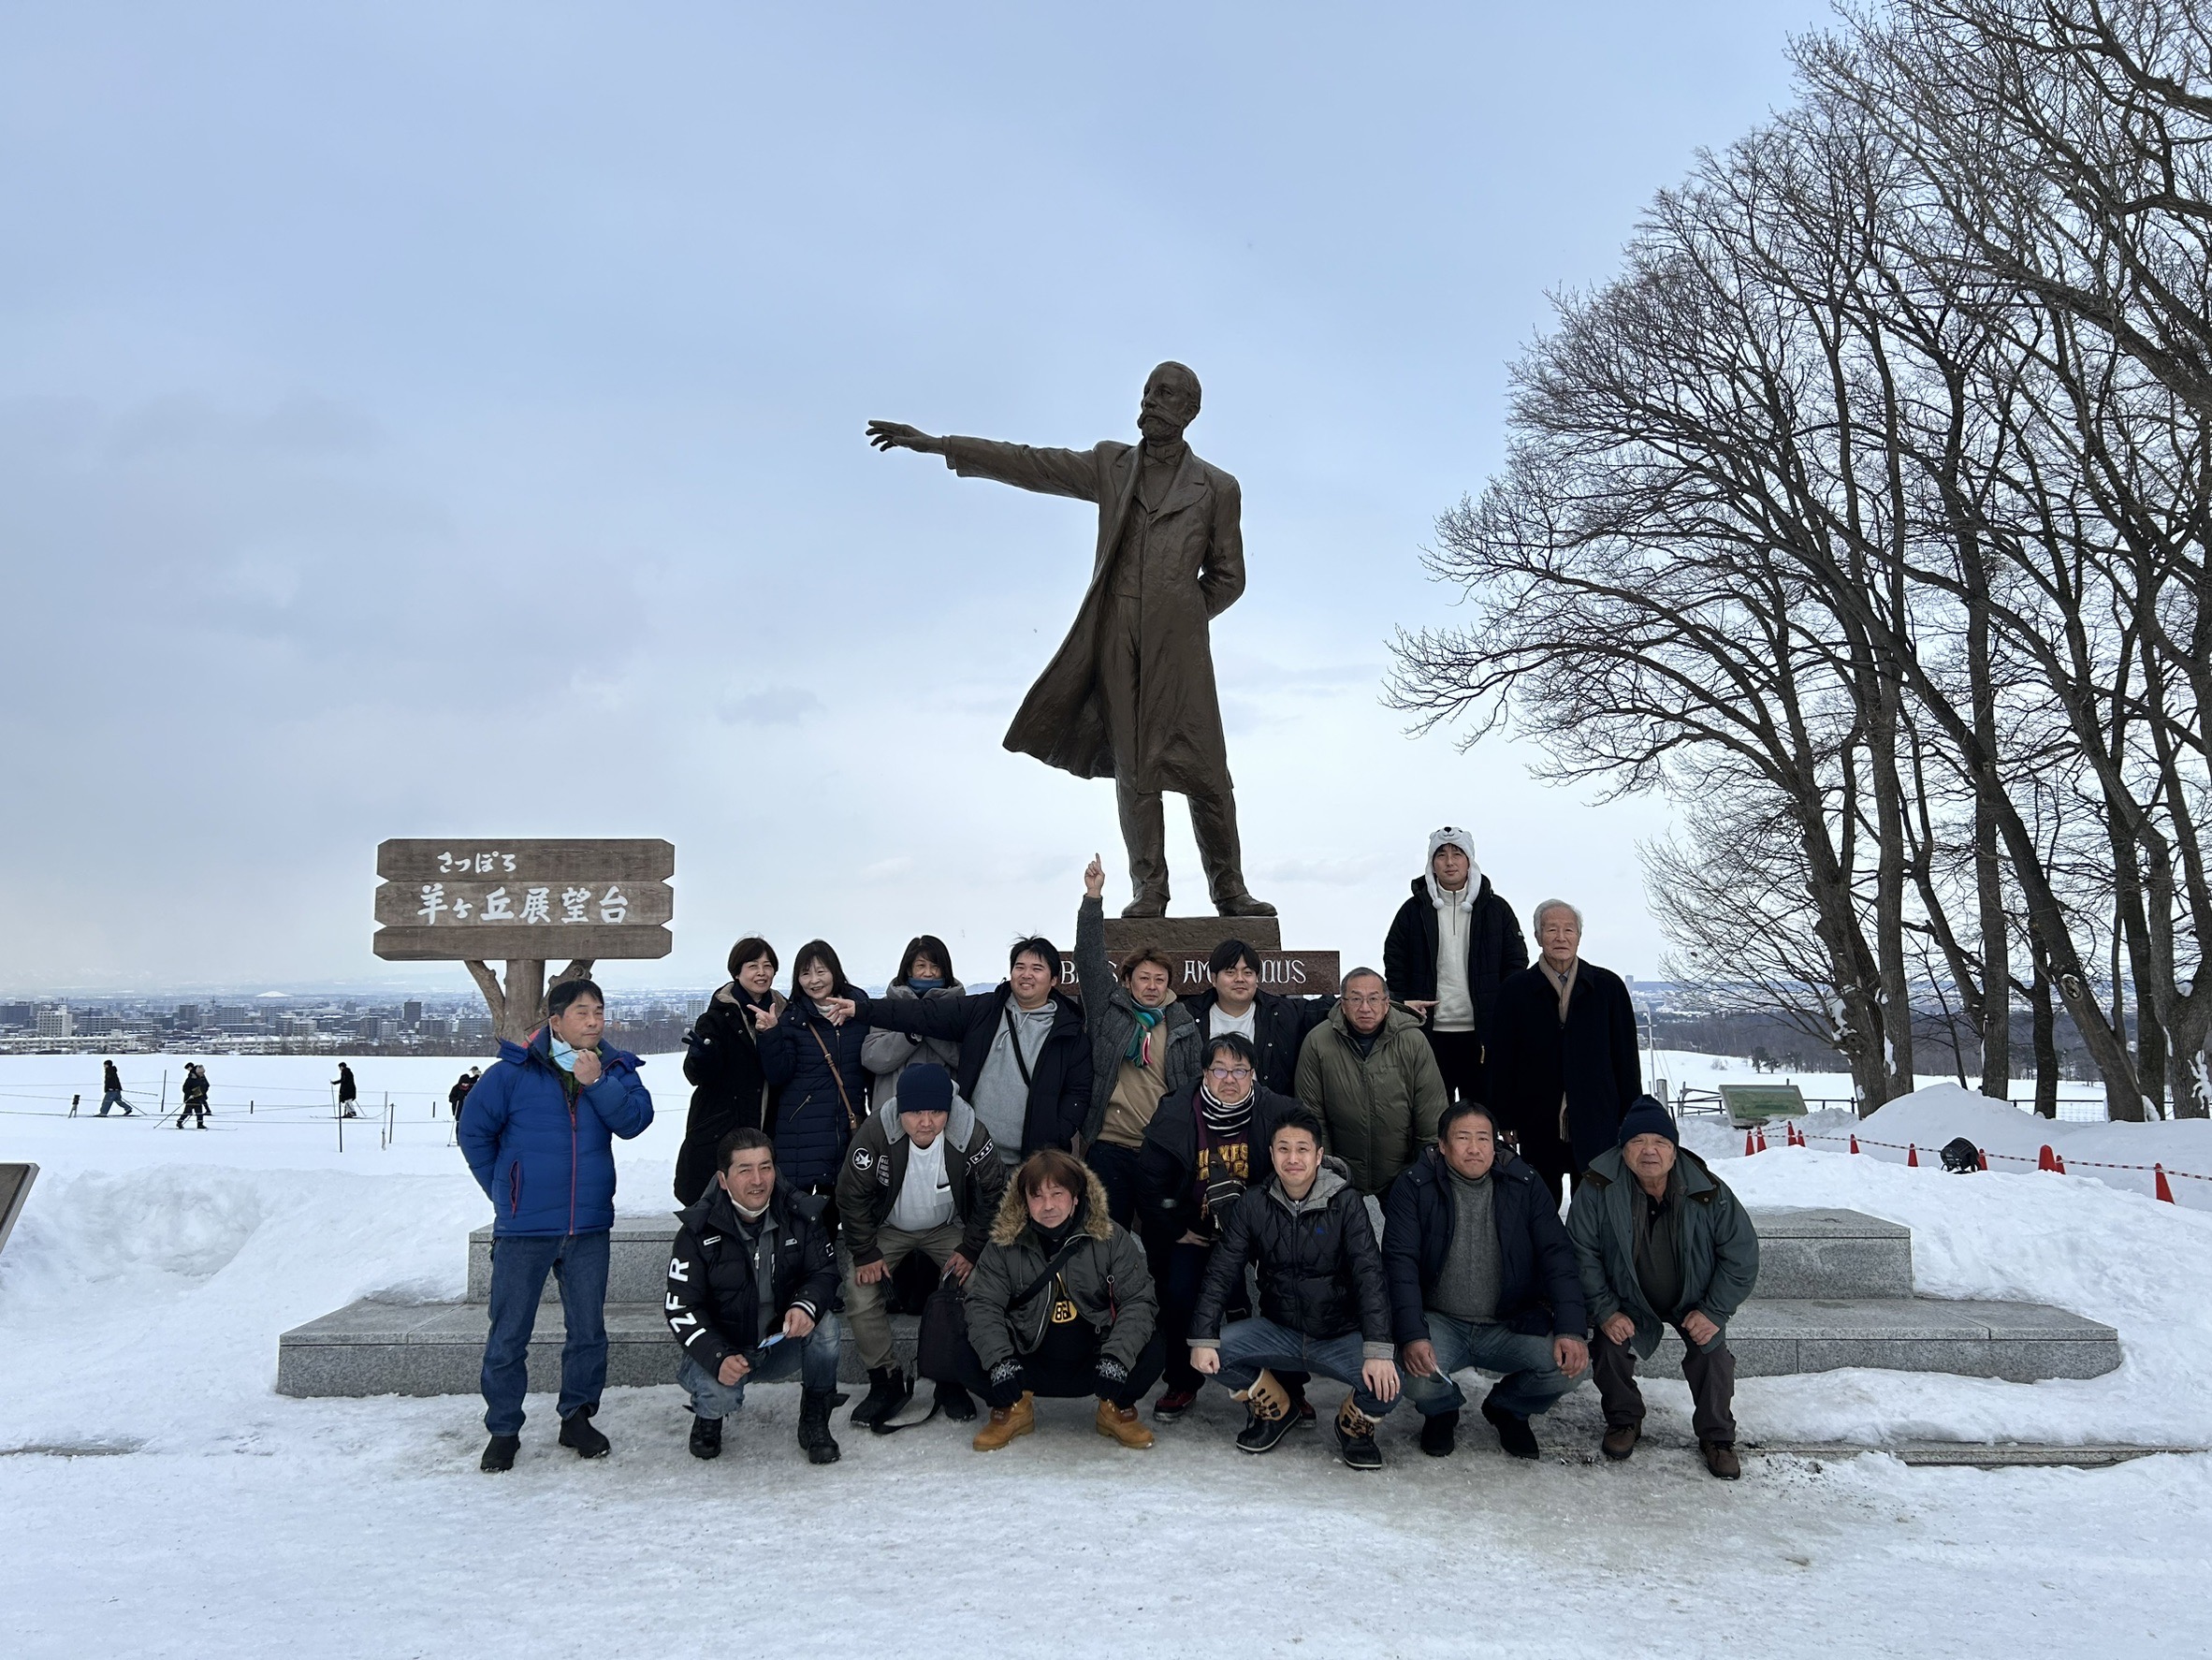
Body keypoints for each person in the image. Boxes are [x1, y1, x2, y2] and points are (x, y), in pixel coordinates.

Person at [867, 362, 1274, 919]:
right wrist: (941, 445)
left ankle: (1229, 890)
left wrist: (1177, 613)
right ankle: (1150, 888)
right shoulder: (1112, 465)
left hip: (1179, 647)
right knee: (1134, 769)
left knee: (1206, 768)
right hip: (1115, 639)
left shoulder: (1218, 488)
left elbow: (1229, 577)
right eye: (1147, 391)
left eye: (1164, 394)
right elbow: (1031, 463)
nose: (1150, 401)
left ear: (1189, 411)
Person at [458, 978, 654, 1474]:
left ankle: (577, 1417)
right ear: (556, 1021)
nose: (594, 1021)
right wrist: (506, 1191)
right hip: (524, 1228)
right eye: (583, 1012)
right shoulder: (512, 1072)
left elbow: (635, 1121)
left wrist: (597, 1083)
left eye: (599, 1011)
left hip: (588, 1224)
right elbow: (474, 1132)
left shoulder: (614, 1067)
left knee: (588, 1331)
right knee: (509, 1334)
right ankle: (504, 1429)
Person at [1189, 1107, 1401, 1470]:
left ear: (1318, 1156)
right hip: (1280, 1330)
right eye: (1283, 1149)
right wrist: (1203, 1336)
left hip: (1338, 1334)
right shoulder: (1254, 1203)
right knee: (1210, 1352)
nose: (1293, 1158)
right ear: (1272, 1155)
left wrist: (1378, 1349)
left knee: (1390, 1383)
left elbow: (1370, 1275)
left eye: (1302, 1149)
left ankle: (1353, 1425)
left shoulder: (1345, 1202)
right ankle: (1277, 1409)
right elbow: (1222, 1271)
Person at [1385, 1099, 1588, 1459]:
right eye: (1463, 1138)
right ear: (1442, 1145)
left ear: (1496, 1145)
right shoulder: (1414, 1186)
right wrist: (1413, 1334)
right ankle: (1441, 1410)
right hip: (1440, 1321)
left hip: (1511, 1321)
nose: (1474, 1148)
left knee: (1567, 1369)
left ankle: (1509, 1409)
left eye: (1483, 1138)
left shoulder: (1525, 1183)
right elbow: (1400, 1264)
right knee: (1412, 1373)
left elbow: (1557, 1256)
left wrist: (1571, 1329)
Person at [1568, 1098, 1759, 1479]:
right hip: (1626, 1297)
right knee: (1608, 1347)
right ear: (1623, 1149)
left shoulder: (1709, 1189)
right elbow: (1581, 1253)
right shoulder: (1597, 1187)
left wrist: (1714, 1311)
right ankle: (1624, 1419)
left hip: (1694, 1298)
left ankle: (1718, 1437)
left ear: (1674, 1150)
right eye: (1638, 1141)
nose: (1649, 1151)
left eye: (1660, 1142)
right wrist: (1605, 1309)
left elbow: (1741, 1256)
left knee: (1712, 1356)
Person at [939, 1148, 1163, 1452]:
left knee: (1155, 1344)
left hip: (1095, 1360)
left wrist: (1117, 1358)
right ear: (1024, 1200)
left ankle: (1115, 1409)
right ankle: (1013, 1409)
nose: (1047, 1206)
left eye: (1057, 1194)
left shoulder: (1111, 1238)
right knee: (964, 1349)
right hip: (1027, 1359)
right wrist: (1001, 1361)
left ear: (1076, 1197)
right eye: (1037, 1196)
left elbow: (1138, 1300)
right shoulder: (1003, 1244)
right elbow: (983, 1305)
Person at [1135, 1031, 1300, 1420]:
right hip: (1196, 1227)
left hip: (1258, 1228)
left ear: (1253, 1074)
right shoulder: (1176, 1113)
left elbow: (1301, 1165)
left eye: (1239, 1070)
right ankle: (1182, 1380)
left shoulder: (1278, 1111)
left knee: (1289, 1292)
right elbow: (1150, 1183)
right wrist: (1175, 1228)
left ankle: (1289, 1386)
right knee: (1179, 1294)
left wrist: (1267, 1226)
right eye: (1220, 1070)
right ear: (1205, 1073)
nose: (1229, 1079)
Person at [836, 1063, 1009, 1429]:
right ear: (901, 1110)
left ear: (949, 1108)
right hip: (888, 1227)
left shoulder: (969, 1131)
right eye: (915, 1112)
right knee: (859, 1289)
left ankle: (953, 1377)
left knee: (980, 1284)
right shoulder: (877, 1131)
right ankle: (885, 1380)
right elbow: (851, 1193)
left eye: (936, 1112)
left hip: (947, 1226)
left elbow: (995, 1191)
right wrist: (865, 1252)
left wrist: (972, 1248)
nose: (926, 1122)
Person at [824, 938, 1091, 1171]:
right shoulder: (984, 1009)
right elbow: (923, 1012)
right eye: (1019, 967)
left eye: (1037, 969)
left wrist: (1056, 1133)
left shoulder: (1068, 1031)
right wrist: (862, 1009)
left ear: (1054, 979)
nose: (1026, 975)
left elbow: (1078, 1092)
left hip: (1034, 1159)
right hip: (974, 1152)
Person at [664, 1128, 843, 1465]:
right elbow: (681, 1306)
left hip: (777, 1341)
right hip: (725, 1345)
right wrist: (717, 1355)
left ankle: (815, 1417)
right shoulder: (696, 1232)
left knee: (825, 1325)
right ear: (723, 1179)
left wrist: (804, 1305)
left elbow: (824, 1272)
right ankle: (709, 1416)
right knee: (718, 1394)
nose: (758, 1180)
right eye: (745, 1170)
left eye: (765, 1167)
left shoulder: (802, 1215)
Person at [1488, 900, 1641, 1201]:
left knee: (1594, 1208)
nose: (1561, 937)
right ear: (1537, 936)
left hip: (1597, 1117)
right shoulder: (1515, 990)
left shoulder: (1607, 987)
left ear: (1579, 936)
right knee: (1540, 1206)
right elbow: (1502, 1060)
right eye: (1551, 930)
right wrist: (1504, 1117)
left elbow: (1626, 1059)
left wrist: (1630, 1116)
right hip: (1537, 1118)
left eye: (1569, 930)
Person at [1076, 855, 1200, 1224]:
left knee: (1163, 1237)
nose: (1152, 986)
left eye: (1160, 979)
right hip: (1108, 1148)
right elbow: (1088, 960)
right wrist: (1093, 898)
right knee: (1105, 1237)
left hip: (1159, 1150)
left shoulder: (1182, 1024)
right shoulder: (1109, 1011)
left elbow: (1194, 1088)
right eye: (1144, 978)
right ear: (1128, 981)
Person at [1383, 827, 1527, 1107]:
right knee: (1432, 1116)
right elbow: (1395, 963)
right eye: (1441, 855)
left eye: (1457, 854)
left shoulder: (1496, 910)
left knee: (1482, 1115)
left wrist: (1500, 1006)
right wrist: (1403, 1006)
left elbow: (1516, 963)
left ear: (1469, 860)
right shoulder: (1412, 912)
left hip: (1482, 1033)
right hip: (1428, 1031)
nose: (1449, 862)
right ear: (1432, 863)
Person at [1293, 968, 1448, 1200]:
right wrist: (1326, 1175)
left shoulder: (1413, 1041)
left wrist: (1422, 1174)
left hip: (1403, 1174)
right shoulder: (1318, 1042)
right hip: (1339, 1176)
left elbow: (1431, 1116)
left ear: (1387, 1003)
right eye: (1356, 999)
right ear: (1342, 1005)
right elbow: (1313, 1117)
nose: (1365, 1008)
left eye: (1373, 999)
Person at [756, 940, 870, 1207]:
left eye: (821, 971)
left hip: (846, 1131)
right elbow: (778, 1075)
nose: (814, 980)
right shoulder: (792, 1019)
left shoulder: (859, 1014)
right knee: (800, 1217)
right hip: (800, 1137)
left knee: (842, 1210)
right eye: (805, 973)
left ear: (835, 972)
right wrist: (771, 1035)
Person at [675, 939, 787, 1206]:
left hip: (771, 1131)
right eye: (753, 966)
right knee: (713, 1209)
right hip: (720, 1133)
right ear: (737, 972)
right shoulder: (716, 1018)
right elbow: (695, 1075)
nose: (762, 973)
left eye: (767, 966)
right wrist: (704, 1056)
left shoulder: (786, 1014)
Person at [1187, 938, 1330, 1097]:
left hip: (1267, 1110)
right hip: (1202, 1109)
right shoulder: (1189, 1016)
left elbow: (1328, 1010)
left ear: (1257, 979)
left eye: (1248, 973)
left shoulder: (1282, 1013)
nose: (1240, 978)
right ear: (1214, 979)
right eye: (1230, 972)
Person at [861, 935, 968, 1110]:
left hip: (945, 1111)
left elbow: (968, 1060)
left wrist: (928, 1024)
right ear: (909, 970)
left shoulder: (960, 1008)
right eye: (921, 966)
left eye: (935, 966)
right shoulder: (888, 1007)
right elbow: (872, 1058)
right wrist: (910, 1035)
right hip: (893, 1111)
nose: (929, 973)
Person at [175, 1064, 211, 1130]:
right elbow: (185, 1088)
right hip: (191, 1099)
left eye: (203, 1073)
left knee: (199, 1112)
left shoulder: (202, 1077)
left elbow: (206, 1085)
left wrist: (203, 1092)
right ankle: (179, 1122)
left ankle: (200, 1124)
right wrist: (190, 1094)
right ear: (197, 1072)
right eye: (201, 1073)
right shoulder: (191, 1078)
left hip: (199, 1098)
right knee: (187, 1112)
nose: (202, 1074)